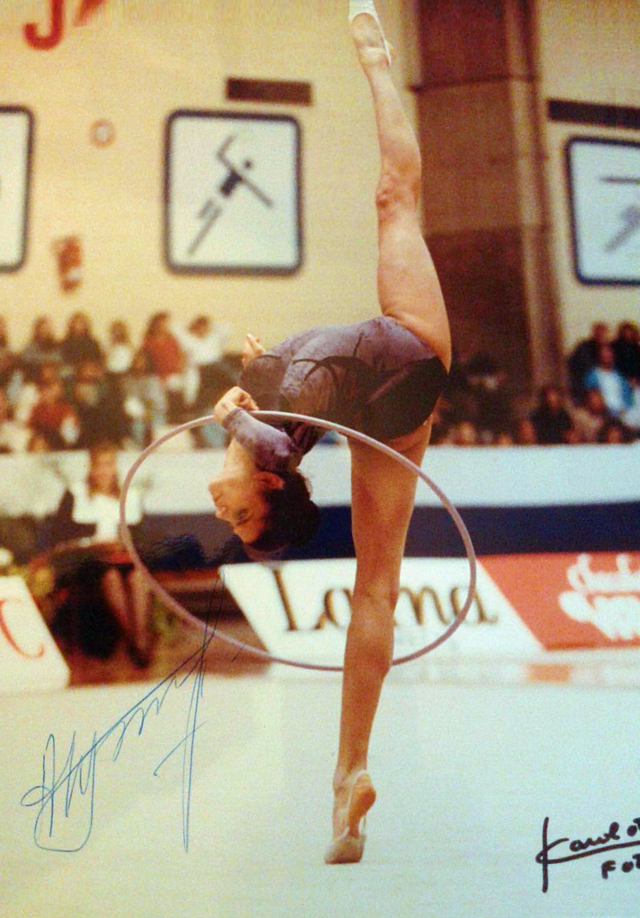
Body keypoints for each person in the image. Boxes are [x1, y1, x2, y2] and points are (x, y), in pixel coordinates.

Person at [208, 1, 451, 864]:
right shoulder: (262, 435)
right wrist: (243, 403)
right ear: (270, 489)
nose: (221, 506)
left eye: (231, 520)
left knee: (378, 585)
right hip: (410, 356)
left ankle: (350, 770)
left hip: (387, 402)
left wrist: (251, 381)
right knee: (398, 202)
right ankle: (348, 778)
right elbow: (276, 443)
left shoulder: (265, 418)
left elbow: (284, 432)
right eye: (239, 518)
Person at [51, 441, 152, 665]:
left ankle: (140, 640)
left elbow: (143, 539)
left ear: (115, 468)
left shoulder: (129, 496)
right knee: (111, 578)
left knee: (137, 577)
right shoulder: (75, 495)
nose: (104, 471)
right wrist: (94, 544)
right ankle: (133, 641)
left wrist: (123, 545)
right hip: (88, 562)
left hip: (123, 559)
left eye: (109, 465)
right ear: (91, 468)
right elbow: (60, 537)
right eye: (99, 465)